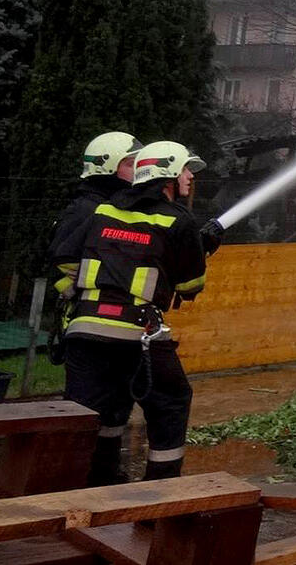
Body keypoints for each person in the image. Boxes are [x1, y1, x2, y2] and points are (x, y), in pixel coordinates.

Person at [49, 140, 213, 484]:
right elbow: (190, 286)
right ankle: (158, 494)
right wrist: (199, 248)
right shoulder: (178, 220)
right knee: (171, 402)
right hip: (138, 332)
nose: (189, 177)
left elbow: (64, 256)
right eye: (185, 169)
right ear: (167, 175)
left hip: (85, 330)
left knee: (98, 408)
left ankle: (97, 482)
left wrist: (90, 283)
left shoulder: (104, 210)